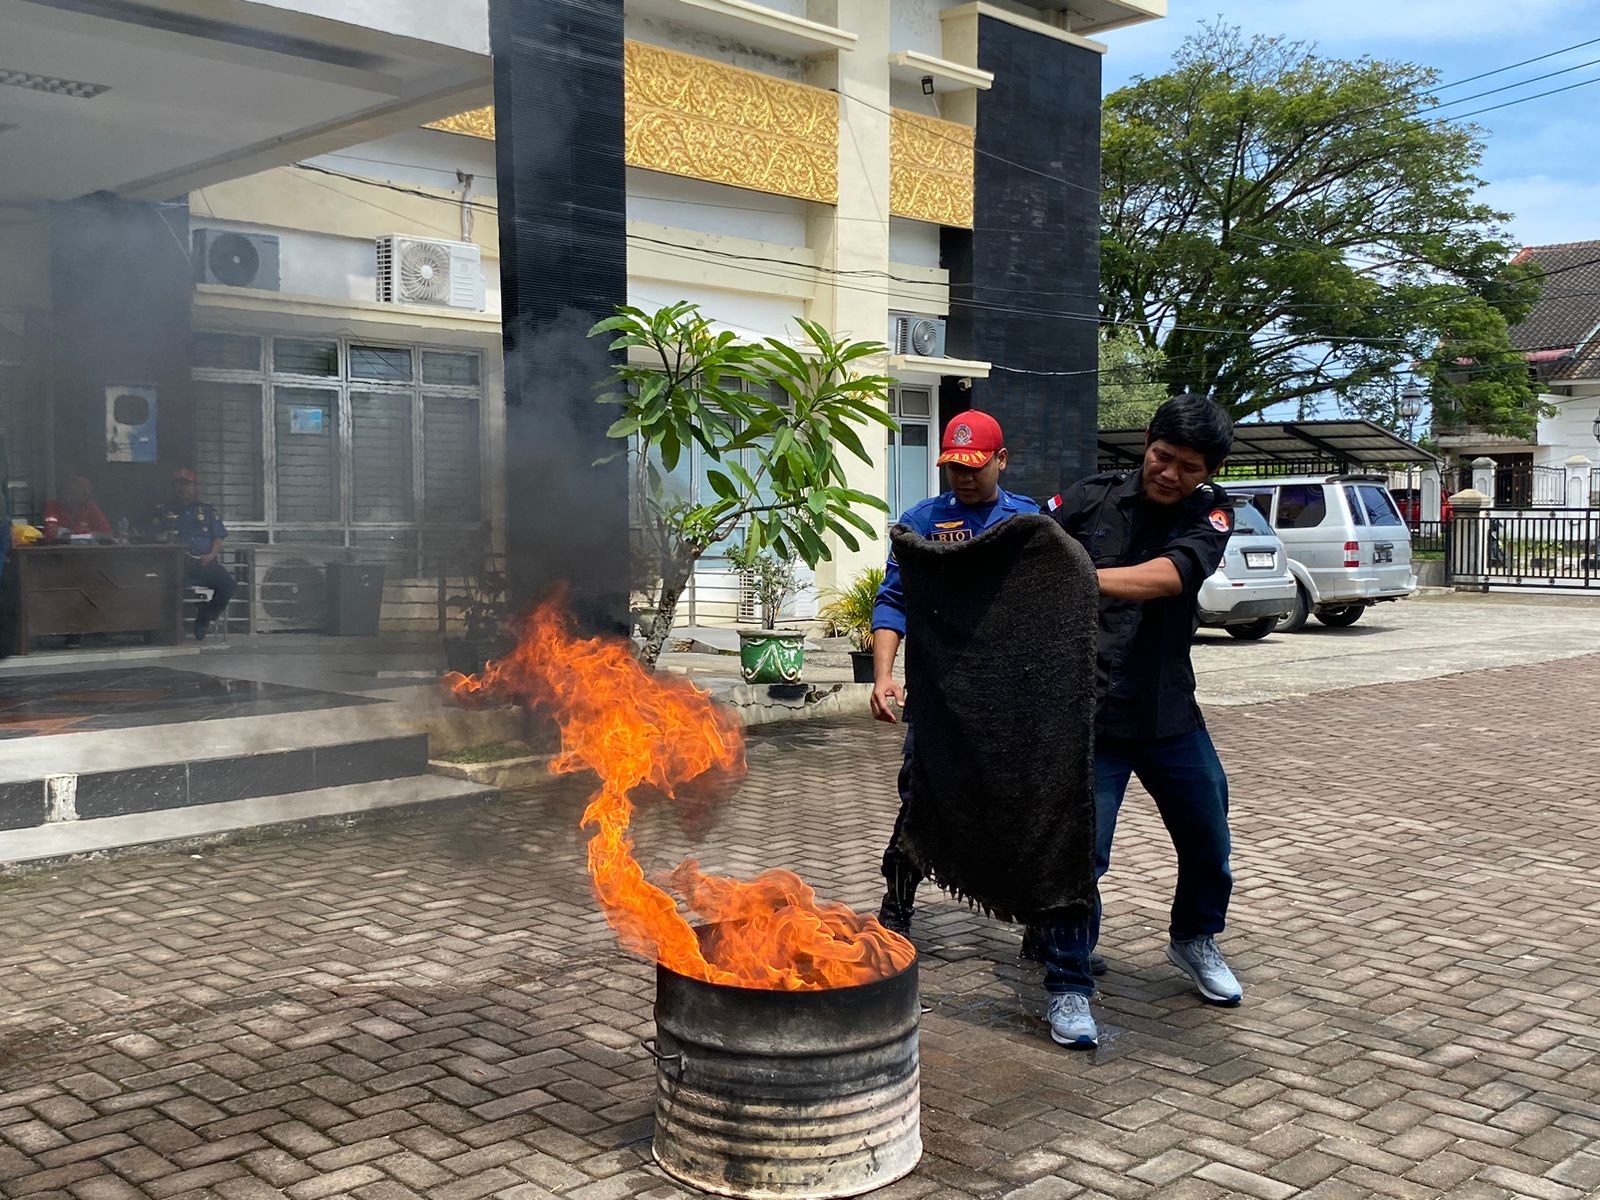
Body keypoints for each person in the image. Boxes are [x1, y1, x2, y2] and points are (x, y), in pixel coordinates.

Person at [1040, 393, 1240, 1049]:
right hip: (1093, 714)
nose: (1170, 473)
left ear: (1205, 471)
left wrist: (1081, 576)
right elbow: (1031, 554)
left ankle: (1193, 938)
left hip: (1169, 711)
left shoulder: (1212, 513)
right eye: (1163, 456)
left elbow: (1168, 577)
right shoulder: (1089, 501)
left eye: (1188, 466)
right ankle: (1069, 985)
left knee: (1208, 836)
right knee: (1082, 856)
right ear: (1147, 442)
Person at [868, 408, 1040, 930]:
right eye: (954, 467)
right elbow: (892, 601)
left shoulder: (1028, 522)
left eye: (975, 466)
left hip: (1008, 696)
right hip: (938, 693)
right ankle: (895, 912)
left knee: (1021, 808)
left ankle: (1040, 927)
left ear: (1001, 460)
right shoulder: (922, 522)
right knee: (922, 798)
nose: (964, 478)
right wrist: (883, 676)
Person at [152, 468, 234, 641]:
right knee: (165, 590)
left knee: (228, 585)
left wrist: (211, 555)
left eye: (186, 484)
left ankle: (204, 619)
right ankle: (171, 630)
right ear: (173, 487)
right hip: (177, 564)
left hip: (205, 562)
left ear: (194, 487)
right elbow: (155, 538)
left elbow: (218, 537)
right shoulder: (163, 511)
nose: (182, 488)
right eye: (178, 484)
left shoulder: (207, 511)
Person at [44, 475, 113, 540]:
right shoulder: (53, 506)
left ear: (84, 497)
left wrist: (89, 535)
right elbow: (50, 534)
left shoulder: (90, 507)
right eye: (66, 494)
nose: (68, 499)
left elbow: (107, 534)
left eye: (73, 495)